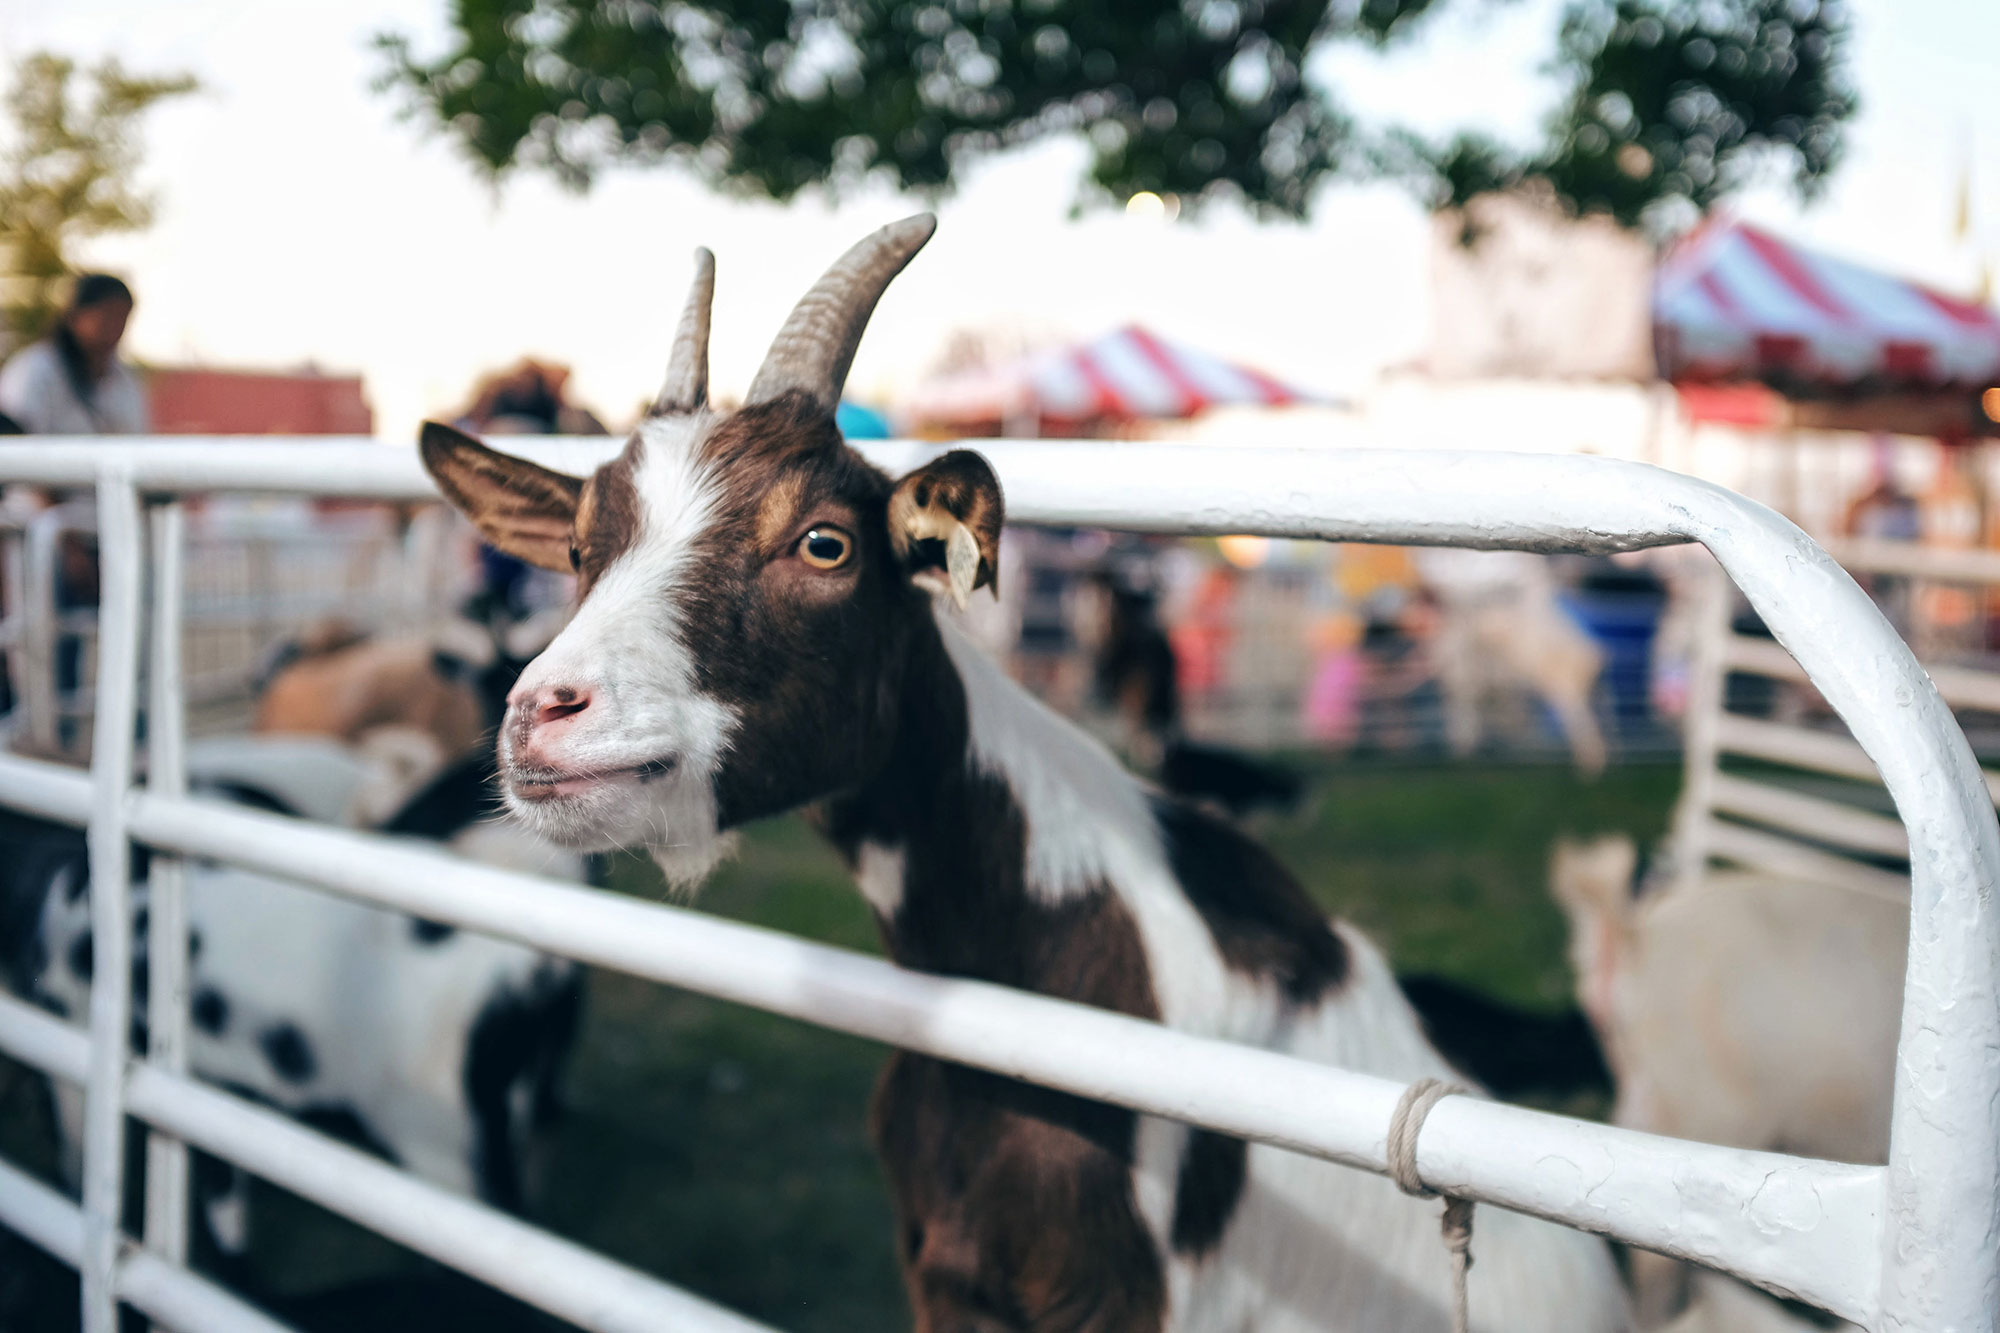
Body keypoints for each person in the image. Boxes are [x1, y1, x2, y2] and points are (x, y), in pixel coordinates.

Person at [0, 274, 149, 435]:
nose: (115, 327)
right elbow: (16, 442)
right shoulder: (34, 371)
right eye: (107, 316)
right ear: (75, 316)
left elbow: (137, 440)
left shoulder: (124, 380)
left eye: (122, 317)